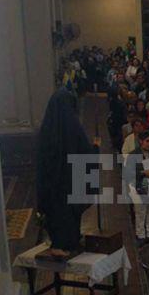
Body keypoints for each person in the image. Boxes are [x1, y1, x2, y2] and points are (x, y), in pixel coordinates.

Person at [36, 88, 101, 258]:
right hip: (72, 182)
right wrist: (95, 148)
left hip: (52, 185)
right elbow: (85, 154)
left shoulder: (46, 130)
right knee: (70, 213)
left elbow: (41, 159)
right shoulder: (73, 127)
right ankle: (69, 242)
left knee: (56, 213)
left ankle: (58, 243)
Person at [125, 131, 149, 246]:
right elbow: (129, 172)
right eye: (147, 141)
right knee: (140, 212)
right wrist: (143, 172)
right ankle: (140, 235)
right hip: (139, 184)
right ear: (141, 141)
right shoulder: (133, 155)